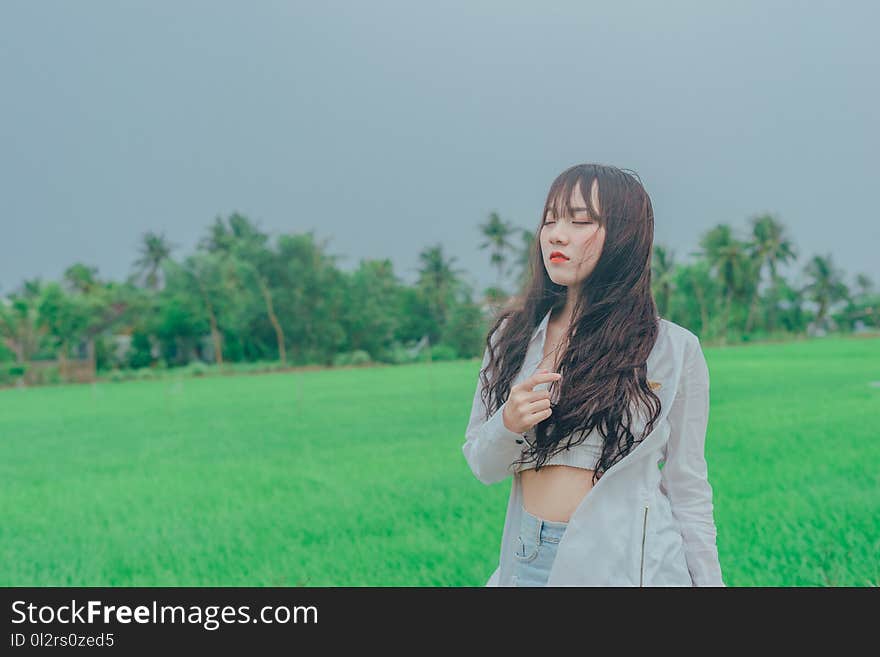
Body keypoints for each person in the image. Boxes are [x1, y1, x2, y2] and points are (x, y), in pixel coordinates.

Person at [462, 163, 724, 586]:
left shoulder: (671, 349)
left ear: (624, 235)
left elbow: (688, 487)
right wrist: (508, 424)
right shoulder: (512, 339)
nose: (556, 234)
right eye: (550, 219)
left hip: (626, 562)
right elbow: (483, 465)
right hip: (527, 557)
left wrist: (711, 584)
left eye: (580, 220)